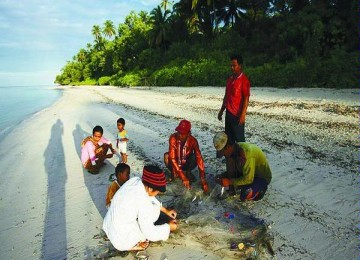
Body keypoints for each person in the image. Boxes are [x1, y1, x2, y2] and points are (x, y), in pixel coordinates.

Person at [103, 165, 178, 251]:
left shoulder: (136, 180)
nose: (157, 194)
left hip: (108, 223)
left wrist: (165, 210)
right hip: (119, 237)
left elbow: (149, 196)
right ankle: (131, 246)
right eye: (157, 191)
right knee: (145, 237)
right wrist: (168, 227)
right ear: (150, 188)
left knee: (153, 211)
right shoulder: (143, 203)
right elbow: (150, 234)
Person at [213, 132, 272, 201]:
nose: (224, 155)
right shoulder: (231, 151)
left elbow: (248, 179)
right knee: (226, 178)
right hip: (245, 172)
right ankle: (235, 189)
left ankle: (261, 189)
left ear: (228, 147)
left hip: (260, 177)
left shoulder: (246, 153)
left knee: (245, 194)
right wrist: (222, 176)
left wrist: (229, 182)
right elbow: (231, 170)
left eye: (223, 153)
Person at [164, 119, 209, 192]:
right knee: (166, 156)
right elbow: (172, 158)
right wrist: (182, 176)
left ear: (188, 133)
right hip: (175, 162)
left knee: (195, 156)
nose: (180, 135)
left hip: (187, 162)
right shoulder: (173, 138)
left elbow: (199, 158)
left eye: (182, 133)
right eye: (179, 132)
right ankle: (174, 173)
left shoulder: (193, 141)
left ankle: (188, 172)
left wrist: (203, 179)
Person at [217, 54, 250, 144]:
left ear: (240, 66)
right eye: (231, 65)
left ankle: (242, 158)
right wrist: (221, 111)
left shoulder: (244, 80)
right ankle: (231, 158)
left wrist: (243, 115)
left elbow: (246, 98)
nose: (232, 67)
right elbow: (226, 96)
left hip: (237, 115)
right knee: (229, 139)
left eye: (234, 65)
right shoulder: (230, 79)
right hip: (228, 113)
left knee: (240, 141)